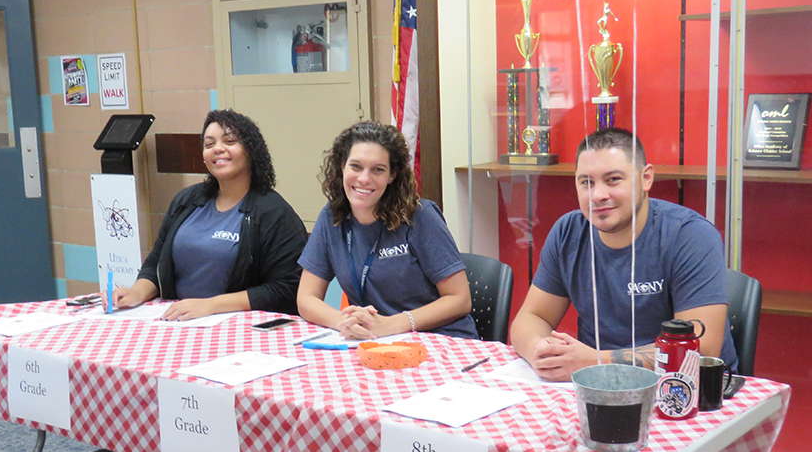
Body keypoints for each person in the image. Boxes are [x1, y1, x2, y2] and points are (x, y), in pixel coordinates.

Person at [510, 128, 738, 381]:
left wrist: (595, 361)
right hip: (596, 385)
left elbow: (699, 349)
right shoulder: (568, 233)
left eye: (613, 179)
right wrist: (540, 352)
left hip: (687, 390)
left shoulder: (690, 236)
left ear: (646, 178)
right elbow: (531, 317)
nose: (598, 195)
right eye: (586, 182)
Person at [112, 109, 307, 320]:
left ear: (251, 150)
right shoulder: (186, 201)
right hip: (179, 320)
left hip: (240, 330)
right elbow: (157, 262)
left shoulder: (273, 212)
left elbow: (287, 288)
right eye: (209, 144)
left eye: (229, 141)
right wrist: (135, 293)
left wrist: (212, 305)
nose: (218, 149)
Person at [296, 122, 477, 339]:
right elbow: (306, 298)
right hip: (375, 341)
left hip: (439, 340)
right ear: (342, 167)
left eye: (378, 170)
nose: (364, 178)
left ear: (392, 175)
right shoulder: (332, 217)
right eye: (356, 166)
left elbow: (460, 299)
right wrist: (344, 322)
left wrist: (392, 324)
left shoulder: (420, 216)